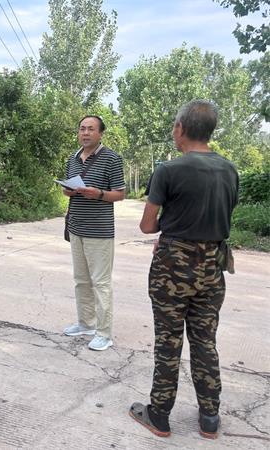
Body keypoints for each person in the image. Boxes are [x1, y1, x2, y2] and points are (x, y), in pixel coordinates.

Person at [129, 100, 239, 439]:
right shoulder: (230, 170)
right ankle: (209, 417)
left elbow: (147, 226)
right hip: (212, 266)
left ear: (180, 128)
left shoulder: (168, 170)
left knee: (169, 341)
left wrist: (171, 227)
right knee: (205, 340)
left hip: (172, 267)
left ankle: (159, 415)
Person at [62, 115, 125, 351]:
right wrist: (68, 191)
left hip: (99, 231)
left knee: (101, 283)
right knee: (81, 280)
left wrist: (97, 193)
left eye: (90, 129)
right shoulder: (73, 158)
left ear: (100, 133)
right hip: (76, 227)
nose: (85, 133)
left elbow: (120, 193)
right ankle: (85, 323)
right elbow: (67, 189)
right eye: (82, 129)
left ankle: (104, 334)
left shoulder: (112, 158)